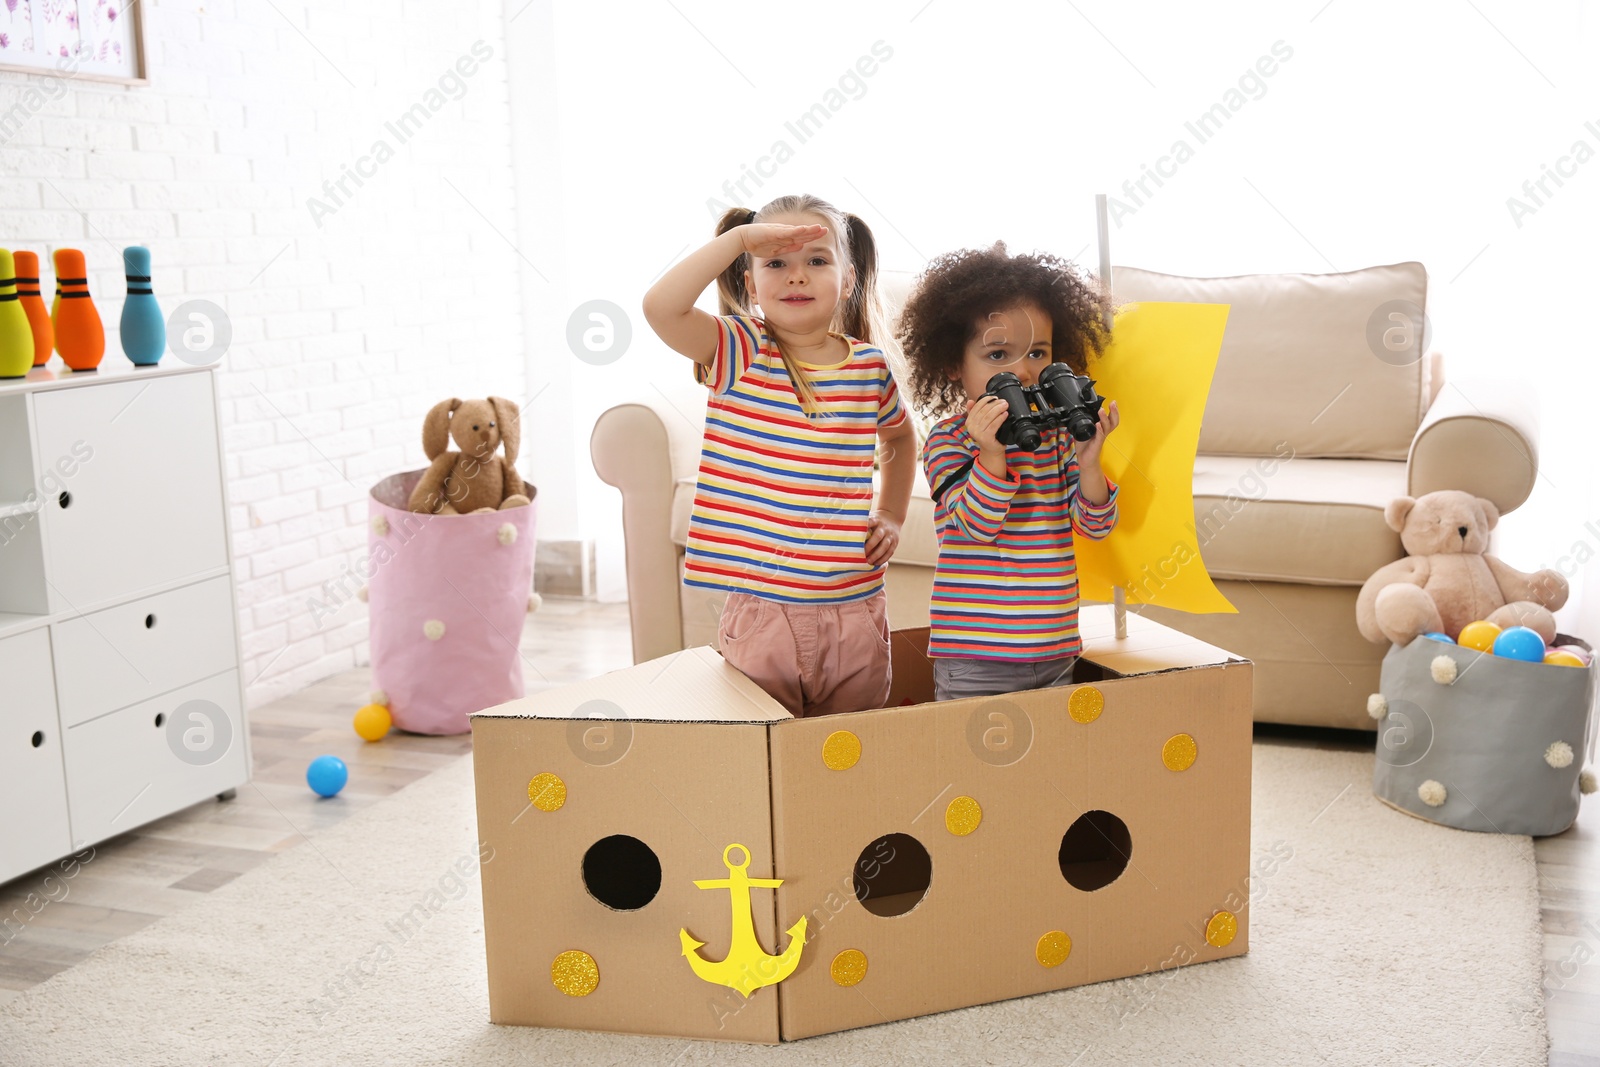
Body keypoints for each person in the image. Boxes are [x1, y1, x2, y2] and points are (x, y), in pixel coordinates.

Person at [641, 194, 914, 716]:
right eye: (776, 263)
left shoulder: (869, 367)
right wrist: (739, 241)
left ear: (848, 279)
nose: (796, 277)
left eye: (816, 261)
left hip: (854, 607)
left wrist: (892, 515)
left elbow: (899, 439)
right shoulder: (739, 349)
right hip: (763, 610)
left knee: (853, 750)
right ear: (750, 283)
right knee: (765, 750)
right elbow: (660, 307)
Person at [897, 242, 1121, 701]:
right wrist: (992, 455)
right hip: (978, 653)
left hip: (1056, 644)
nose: (1022, 371)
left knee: (1052, 763)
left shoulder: (1058, 439)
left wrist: (1089, 461)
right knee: (976, 764)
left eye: (1039, 354)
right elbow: (975, 527)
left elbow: (1094, 525)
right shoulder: (949, 440)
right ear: (952, 365)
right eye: (997, 357)